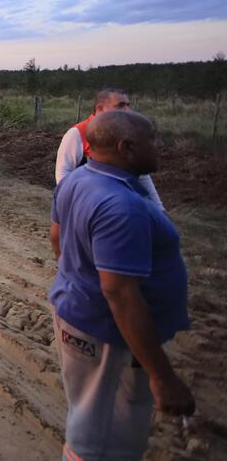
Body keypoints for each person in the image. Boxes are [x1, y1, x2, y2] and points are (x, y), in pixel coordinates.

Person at [49, 110, 193, 461]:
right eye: (152, 139)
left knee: (90, 419)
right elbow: (121, 294)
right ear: (126, 147)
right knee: (99, 442)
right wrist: (162, 376)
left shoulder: (78, 180)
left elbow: (57, 237)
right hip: (109, 337)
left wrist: (78, 281)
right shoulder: (120, 206)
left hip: (79, 316)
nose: (160, 145)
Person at [56, 87, 163, 209]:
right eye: (120, 105)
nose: (128, 110)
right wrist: (70, 204)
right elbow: (63, 172)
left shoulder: (127, 133)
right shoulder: (78, 133)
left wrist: (158, 207)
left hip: (120, 204)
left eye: (128, 105)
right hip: (88, 205)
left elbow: (141, 174)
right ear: (100, 109)